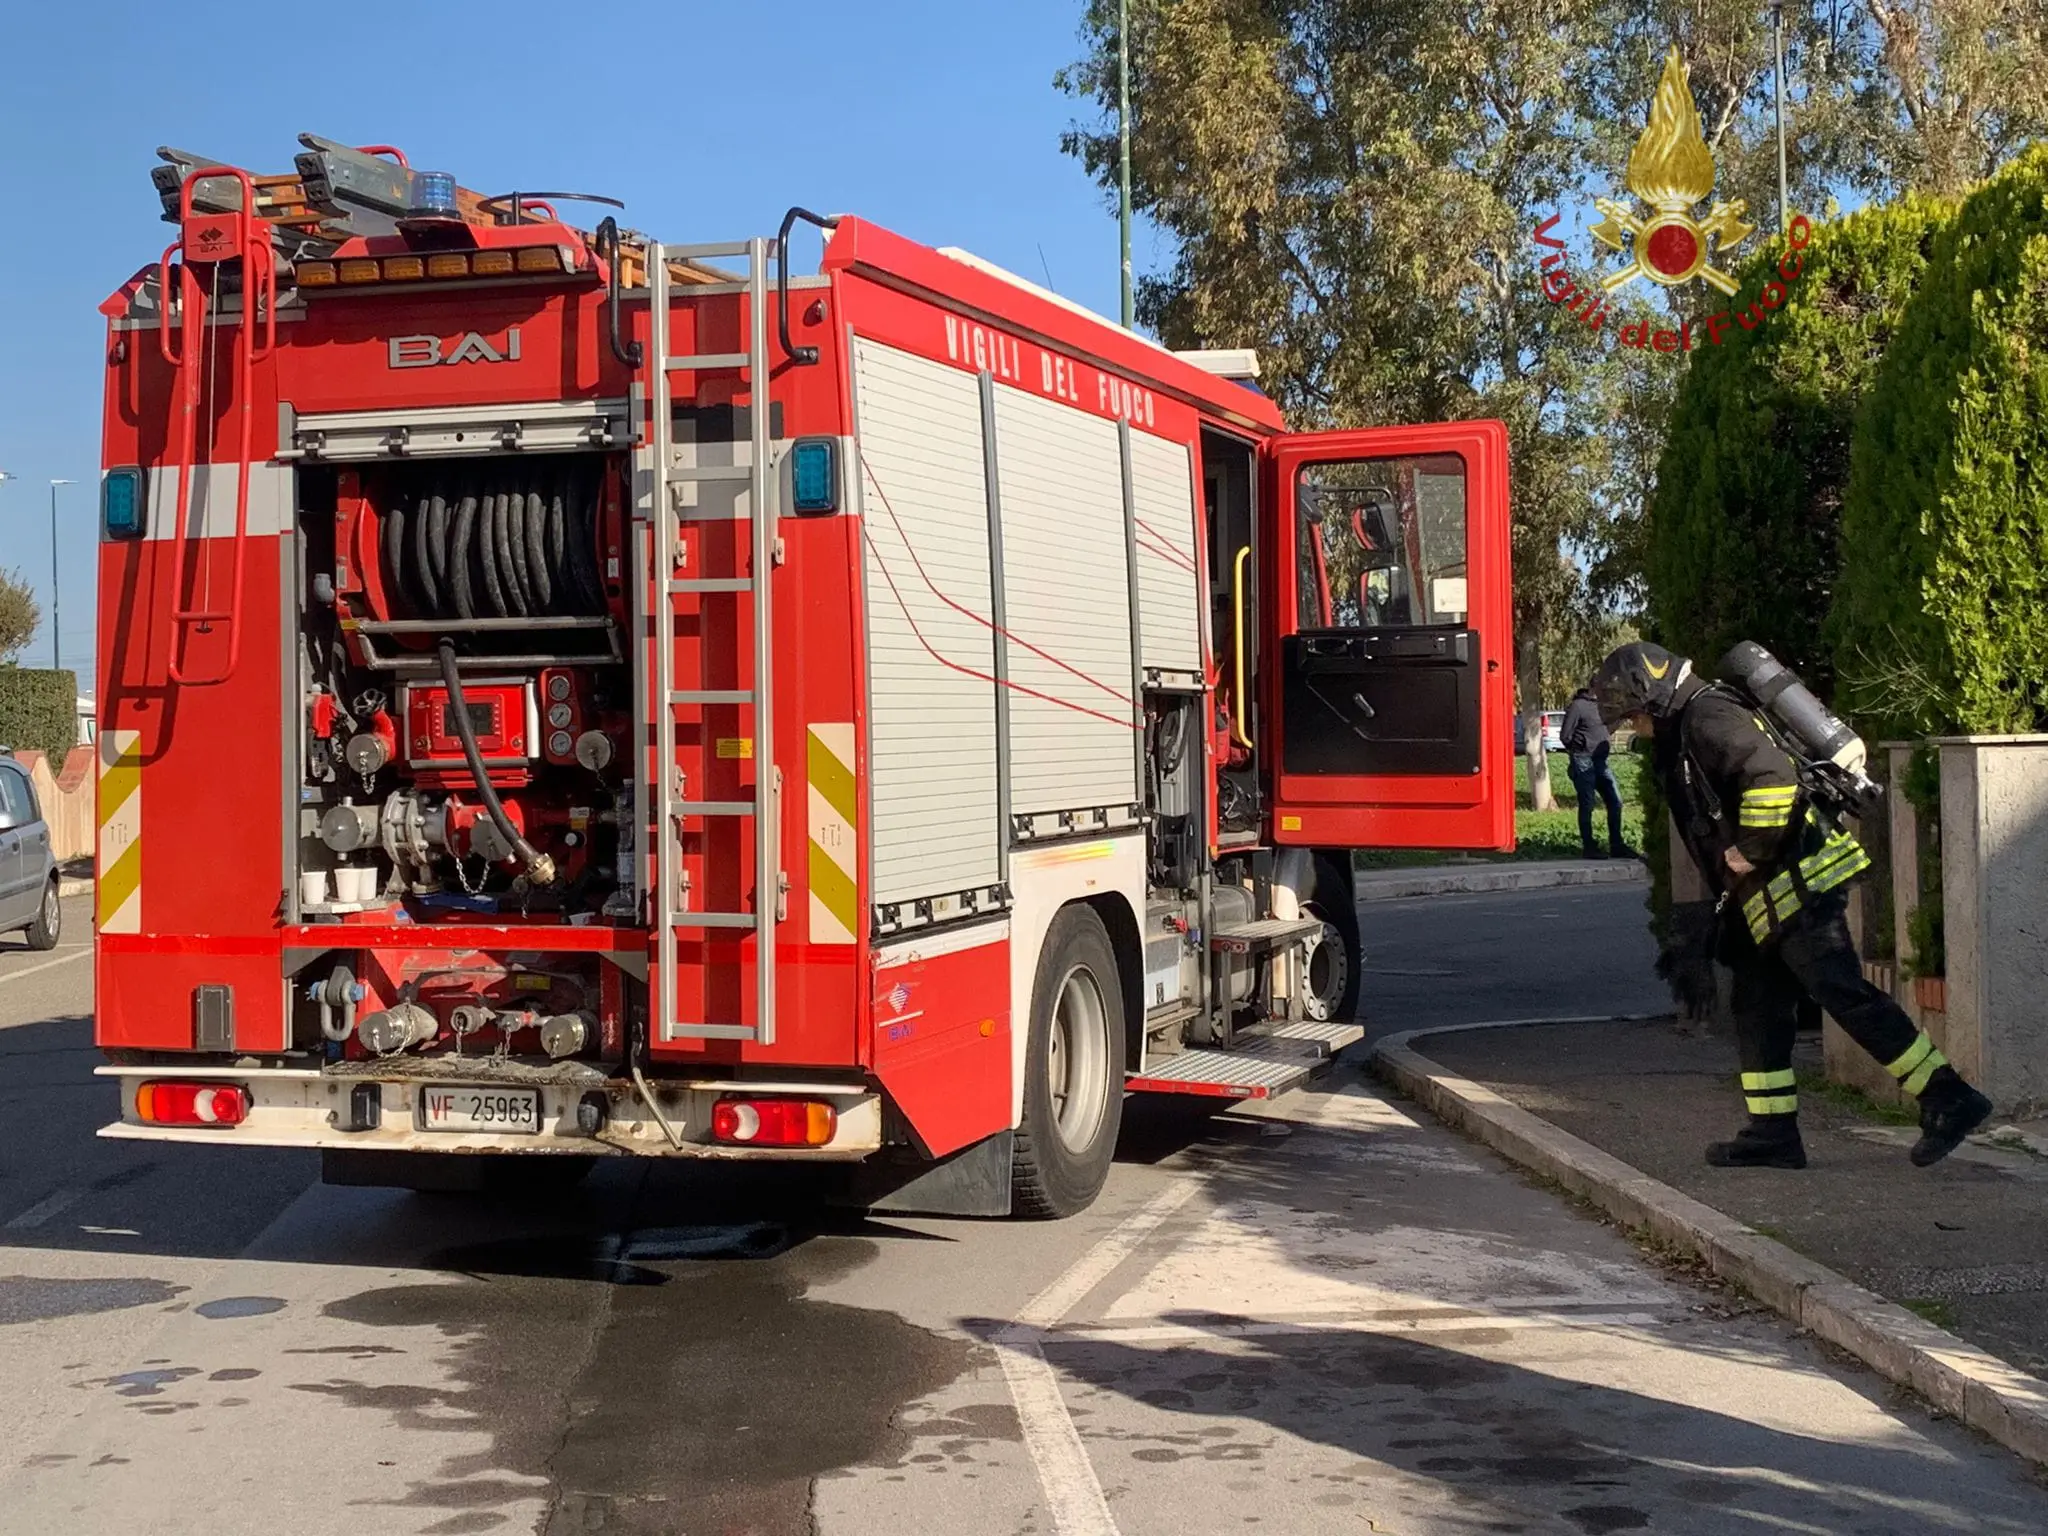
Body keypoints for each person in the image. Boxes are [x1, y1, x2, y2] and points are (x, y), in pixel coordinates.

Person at [1591, 640, 1992, 1170]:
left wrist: (1749, 851)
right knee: (1756, 1005)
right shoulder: (1691, 718)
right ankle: (1772, 1134)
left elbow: (1772, 779)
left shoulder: (1708, 715)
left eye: (1634, 716)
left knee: (1840, 990)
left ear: (1653, 695)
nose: (1633, 728)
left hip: (1798, 879)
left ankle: (1949, 1097)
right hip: (1768, 891)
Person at [1561, 682, 1629, 859]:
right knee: (1587, 804)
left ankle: (1617, 845)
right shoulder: (1578, 706)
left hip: (1601, 761)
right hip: (1583, 759)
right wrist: (1579, 748)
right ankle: (1589, 847)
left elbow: (1609, 726)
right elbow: (1565, 735)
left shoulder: (1603, 707)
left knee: (1615, 801)